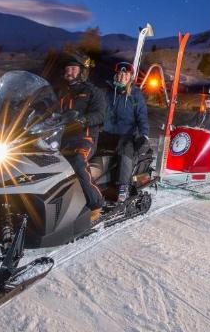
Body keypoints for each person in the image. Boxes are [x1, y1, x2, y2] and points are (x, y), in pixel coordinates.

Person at [57, 53, 107, 218]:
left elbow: (100, 114)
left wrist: (84, 119)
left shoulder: (93, 92)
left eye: (73, 68)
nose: (69, 72)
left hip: (85, 139)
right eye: (67, 69)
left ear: (82, 72)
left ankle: (96, 204)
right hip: (61, 140)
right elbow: (46, 109)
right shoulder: (60, 92)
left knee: (78, 161)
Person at [101, 61, 150, 203]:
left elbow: (142, 117)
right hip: (108, 132)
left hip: (126, 134)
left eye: (126, 74)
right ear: (116, 75)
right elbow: (100, 111)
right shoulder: (109, 92)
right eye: (120, 73)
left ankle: (123, 186)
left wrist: (144, 135)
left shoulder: (135, 95)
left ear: (131, 77)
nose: (123, 76)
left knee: (125, 148)